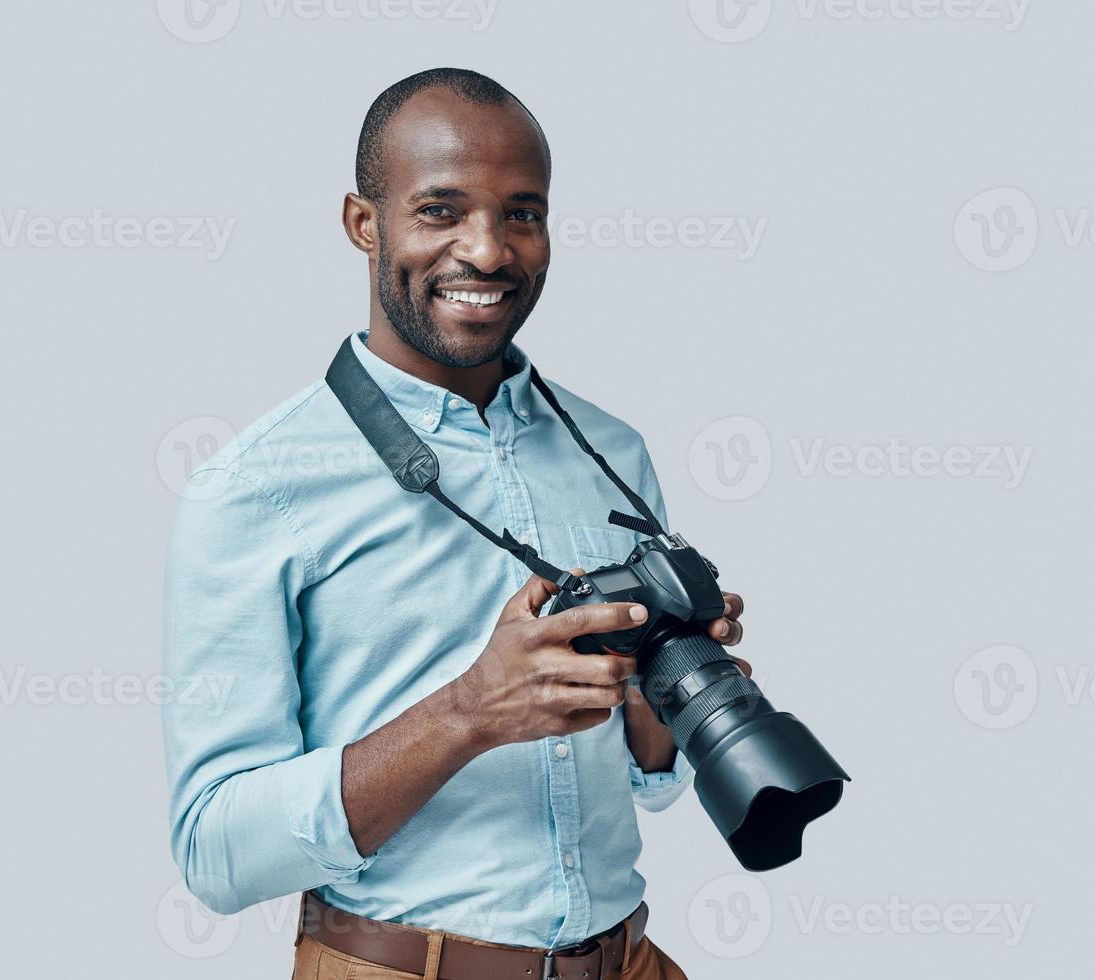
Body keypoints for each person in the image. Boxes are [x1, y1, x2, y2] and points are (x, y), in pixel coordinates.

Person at [162, 67, 750, 980]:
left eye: (522, 212)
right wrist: (468, 714)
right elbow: (216, 852)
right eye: (441, 210)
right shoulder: (253, 488)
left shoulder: (610, 450)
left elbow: (646, 780)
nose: (488, 251)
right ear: (366, 223)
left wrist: (666, 690)